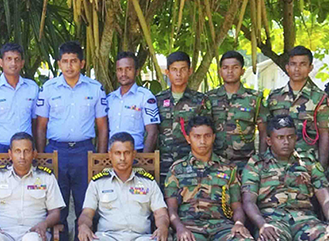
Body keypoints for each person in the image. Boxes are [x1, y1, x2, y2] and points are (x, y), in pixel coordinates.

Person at [34, 41, 108, 241]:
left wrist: (99, 157)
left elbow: (102, 127)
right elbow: (41, 126)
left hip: (85, 153)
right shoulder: (48, 88)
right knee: (59, 209)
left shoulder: (95, 88)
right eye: (64, 61)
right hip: (56, 153)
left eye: (74, 61)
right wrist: (43, 155)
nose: (69, 65)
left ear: (82, 63)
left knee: (86, 209)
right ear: (59, 64)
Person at [259, 46, 329, 167]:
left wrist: (321, 167)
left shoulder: (319, 98)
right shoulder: (274, 97)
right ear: (287, 68)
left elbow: (324, 134)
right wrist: (262, 161)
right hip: (276, 163)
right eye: (293, 64)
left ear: (310, 68)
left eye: (302, 64)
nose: (297, 69)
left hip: (307, 162)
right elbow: (266, 132)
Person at [0, 43, 39, 183]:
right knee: (0, 192)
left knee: (27, 191)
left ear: (22, 63)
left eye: (17, 59)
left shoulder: (32, 88)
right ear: (1, 62)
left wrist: (37, 153)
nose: (13, 63)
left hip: (26, 151)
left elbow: (36, 124)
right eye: (9, 59)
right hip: (1, 149)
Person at [155, 50, 210, 183]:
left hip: (191, 164)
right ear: (167, 72)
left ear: (190, 71)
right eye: (174, 70)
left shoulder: (200, 100)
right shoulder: (158, 100)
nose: (178, 74)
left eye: (183, 69)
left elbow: (207, 132)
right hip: (163, 163)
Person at [206, 50, 263, 169]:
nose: (230, 71)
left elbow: (264, 132)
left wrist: (261, 160)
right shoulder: (210, 98)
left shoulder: (254, 99)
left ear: (242, 71)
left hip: (246, 163)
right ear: (220, 71)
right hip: (216, 162)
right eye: (225, 67)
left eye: (235, 67)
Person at [106, 51, 159, 152]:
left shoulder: (145, 97)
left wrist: (144, 160)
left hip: (136, 154)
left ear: (137, 71)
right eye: (119, 70)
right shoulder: (110, 99)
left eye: (128, 69)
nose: (123, 74)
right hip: (111, 155)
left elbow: (153, 132)